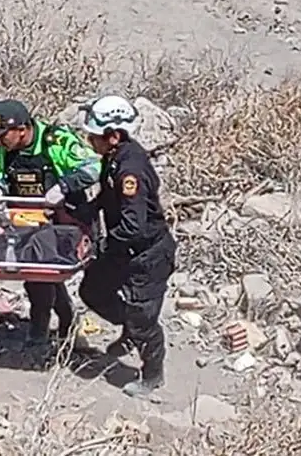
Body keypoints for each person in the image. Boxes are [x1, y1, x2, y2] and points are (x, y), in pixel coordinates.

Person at [0, 99, 102, 345]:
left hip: (63, 221)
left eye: (3, 135)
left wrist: (64, 186)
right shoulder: (0, 147)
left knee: (41, 274)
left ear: (22, 130)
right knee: (38, 274)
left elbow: (94, 167)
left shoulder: (56, 141)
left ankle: (39, 333)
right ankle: (63, 319)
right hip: (26, 221)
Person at [77, 95, 176, 398]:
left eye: (94, 136)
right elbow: (108, 195)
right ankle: (130, 329)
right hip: (123, 249)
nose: (90, 141)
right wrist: (86, 212)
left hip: (147, 255)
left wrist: (102, 245)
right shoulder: (114, 158)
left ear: (114, 136)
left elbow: (134, 226)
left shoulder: (130, 169)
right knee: (92, 291)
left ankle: (152, 374)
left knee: (144, 322)